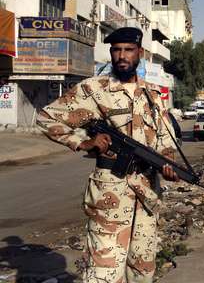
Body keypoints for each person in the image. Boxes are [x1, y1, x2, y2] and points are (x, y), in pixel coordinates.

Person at [37, 27, 178, 283]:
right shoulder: (93, 90)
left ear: (141, 53)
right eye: (116, 50)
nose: (122, 55)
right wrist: (83, 142)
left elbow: (165, 141)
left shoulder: (153, 96)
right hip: (109, 198)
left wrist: (170, 166)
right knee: (104, 274)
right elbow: (47, 117)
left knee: (142, 273)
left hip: (146, 198)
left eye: (128, 50)